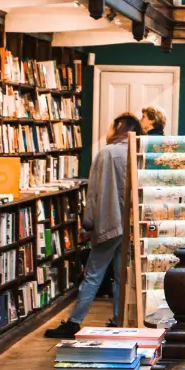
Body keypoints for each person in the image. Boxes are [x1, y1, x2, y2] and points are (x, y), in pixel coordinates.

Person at [45, 112, 142, 338]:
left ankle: (74, 321)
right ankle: (119, 320)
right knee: (121, 276)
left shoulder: (106, 153)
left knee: (93, 273)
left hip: (109, 222)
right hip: (129, 225)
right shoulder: (136, 152)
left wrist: (88, 223)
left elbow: (95, 192)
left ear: (119, 127)